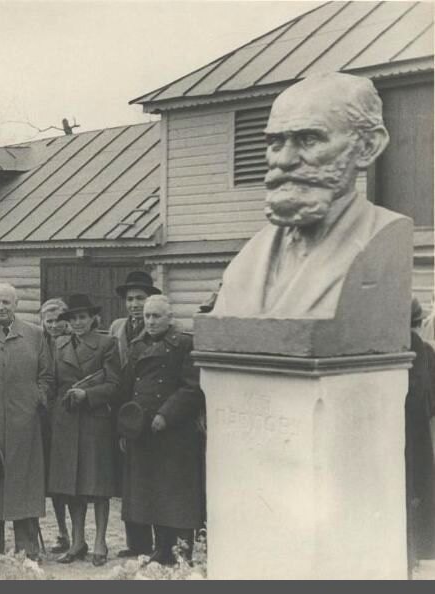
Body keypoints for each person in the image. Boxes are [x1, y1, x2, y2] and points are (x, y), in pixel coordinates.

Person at [212, 72, 406, 318]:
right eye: (276, 143)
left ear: (368, 146)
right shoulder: (248, 260)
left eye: (309, 139)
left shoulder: (382, 237)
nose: (284, 160)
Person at [0, 283, 53, 561]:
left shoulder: (35, 335)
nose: (1, 307)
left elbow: (46, 376)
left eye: (6, 302)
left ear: (16, 304)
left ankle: (28, 547)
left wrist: (35, 399)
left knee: (25, 483)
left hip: (25, 425)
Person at [118, 295, 205, 566]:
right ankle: (162, 549)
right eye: (147, 316)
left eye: (156, 316)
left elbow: (192, 388)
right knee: (152, 492)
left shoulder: (184, 344)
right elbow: (127, 387)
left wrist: (166, 414)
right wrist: (126, 427)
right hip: (143, 431)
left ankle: (182, 550)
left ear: (170, 318)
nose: (151, 321)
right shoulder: (137, 346)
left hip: (175, 434)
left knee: (177, 493)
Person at [48, 294, 120, 566]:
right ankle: (78, 541)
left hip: (95, 422)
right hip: (66, 422)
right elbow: (53, 383)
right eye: (73, 318)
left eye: (82, 317)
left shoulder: (107, 344)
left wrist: (88, 395)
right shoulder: (59, 345)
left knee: (98, 485)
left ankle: (100, 542)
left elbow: (115, 384)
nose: (78, 323)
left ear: (93, 319)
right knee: (73, 486)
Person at [108, 270, 160, 558]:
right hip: (123, 406)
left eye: (140, 298)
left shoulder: (156, 328)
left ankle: (158, 543)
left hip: (149, 409)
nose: (134, 305)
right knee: (130, 481)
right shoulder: (117, 327)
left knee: (151, 478)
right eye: (130, 299)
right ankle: (136, 543)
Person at [39, 298, 72, 554]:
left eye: (58, 320)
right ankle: (62, 532)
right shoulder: (39, 342)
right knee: (53, 481)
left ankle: (78, 533)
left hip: (69, 415)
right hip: (45, 417)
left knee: (70, 477)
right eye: (48, 321)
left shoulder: (73, 342)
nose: (53, 325)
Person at [406, 297, 435, 573]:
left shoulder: (403, 350)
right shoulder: (425, 350)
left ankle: (411, 555)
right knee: (420, 487)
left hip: (405, 431)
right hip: (421, 432)